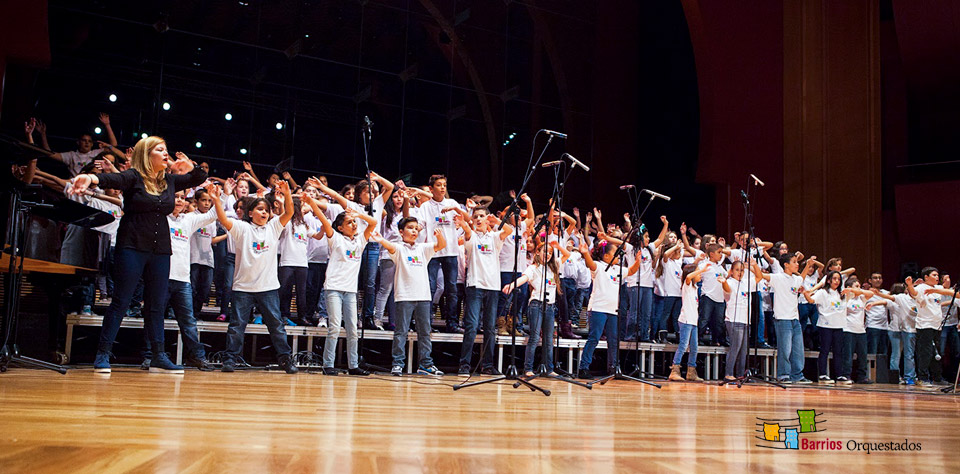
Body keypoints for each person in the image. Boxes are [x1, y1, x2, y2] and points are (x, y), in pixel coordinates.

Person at [70, 137, 207, 373]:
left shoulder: (170, 181)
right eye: (160, 150)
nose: (166, 154)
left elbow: (199, 178)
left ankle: (158, 356)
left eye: (167, 150)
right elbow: (110, 178)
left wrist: (189, 165)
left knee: (155, 305)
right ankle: (102, 354)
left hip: (161, 250)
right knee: (121, 302)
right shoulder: (133, 177)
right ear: (147, 154)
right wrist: (90, 178)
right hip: (131, 246)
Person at [210, 181, 298, 374]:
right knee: (236, 327)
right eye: (260, 209)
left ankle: (285, 359)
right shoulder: (242, 228)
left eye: (266, 210)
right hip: (243, 287)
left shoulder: (273, 227)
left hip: (268, 288)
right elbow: (224, 220)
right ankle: (230, 359)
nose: (264, 213)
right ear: (250, 213)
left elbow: (289, 212)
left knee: (276, 326)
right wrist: (217, 200)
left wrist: (287, 193)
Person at [309, 198, 378, 376]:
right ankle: (328, 364)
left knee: (353, 329)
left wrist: (358, 214)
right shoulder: (336, 239)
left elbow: (373, 222)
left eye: (354, 222)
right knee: (334, 327)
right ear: (340, 228)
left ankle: (353, 365)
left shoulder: (360, 241)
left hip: (350, 291)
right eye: (349, 222)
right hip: (333, 288)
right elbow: (323, 219)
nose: (354, 224)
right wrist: (311, 201)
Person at [371, 217, 446, 377]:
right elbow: (390, 246)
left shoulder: (423, 248)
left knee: (425, 332)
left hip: (423, 297)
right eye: (410, 228)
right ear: (401, 232)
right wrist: (381, 239)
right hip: (404, 296)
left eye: (415, 228)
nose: (414, 231)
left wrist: (439, 236)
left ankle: (426, 364)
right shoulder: (399, 248)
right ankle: (398, 364)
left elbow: (441, 245)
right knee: (401, 332)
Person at [162, 188, 219, 370]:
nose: (179, 201)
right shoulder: (159, 218)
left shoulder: (188, 220)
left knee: (189, 321)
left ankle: (196, 356)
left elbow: (212, 215)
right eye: (175, 197)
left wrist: (221, 196)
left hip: (182, 279)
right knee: (155, 319)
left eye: (182, 198)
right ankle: (150, 355)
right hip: (160, 277)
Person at [455, 207, 512, 375]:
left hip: (493, 287)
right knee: (471, 326)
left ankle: (487, 365)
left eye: (482, 216)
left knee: (489, 328)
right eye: (476, 217)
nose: (478, 219)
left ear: (487, 219)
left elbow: (508, 230)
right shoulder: (471, 236)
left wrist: (495, 220)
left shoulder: (494, 237)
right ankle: (464, 365)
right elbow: (466, 230)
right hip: (475, 285)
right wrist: (465, 223)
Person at [576, 232, 642, 379]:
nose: (618, 257)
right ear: (606, 256)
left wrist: (637, 261)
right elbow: (590, 264)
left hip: (613, 310)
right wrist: (586, 253)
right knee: (594, 338)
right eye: (615, 254)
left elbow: (631, 271)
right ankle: (583, 367)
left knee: (613, 340)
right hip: (598, 309)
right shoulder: (599, 266)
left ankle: (613, 368)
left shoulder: (617, 270)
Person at [504, 240, 567, 377]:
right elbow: (524, 279)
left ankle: (549, 369)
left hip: (550, 305)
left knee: (549, 339)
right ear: (538, 252)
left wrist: (558, 246)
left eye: (550, 253)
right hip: (536, 305)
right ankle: (528, 368)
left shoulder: (553, 267)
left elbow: (566, 255)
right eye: (545, 251)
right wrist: (512, 285)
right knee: (534, 337)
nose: (548, 255)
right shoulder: (533, 268)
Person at [752, 253, 818, 384]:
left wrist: (808, 265)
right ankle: (783, 374)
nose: (797, 264)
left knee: (798, 349)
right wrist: (754, 265)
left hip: (795, 319)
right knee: (785, 349)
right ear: (786, 265)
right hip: (782, 319)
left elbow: (802, 277)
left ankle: (797, 375)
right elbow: (762, 276)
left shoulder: (795, 279)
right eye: (794, 262)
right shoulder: (778, 278)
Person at [668, 255, 710, 382]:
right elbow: (688, 277)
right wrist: (701, 269)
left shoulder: (696, 287)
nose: (700, 276)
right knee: (683, 345)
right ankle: (674, 370)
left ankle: (691, 371)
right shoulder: (686, 285)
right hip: (686, 320)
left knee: (694, 347)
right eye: (697, 273)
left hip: (693, 321)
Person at [803, 270, 846, 384]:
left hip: (839, 325)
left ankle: (839, 375)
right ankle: (822, 374)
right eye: (834, 278)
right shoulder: (823, 292)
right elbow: (812, 300)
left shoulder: (842, 293)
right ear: (828, 280)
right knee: (825, 350)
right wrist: (806, 294)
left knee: (838, 351)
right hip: (825, 325)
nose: (837, 281)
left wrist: (850, 289)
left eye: (838, 279)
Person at [839, 278, 874, 384]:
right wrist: (850, 292)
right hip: (848, 329)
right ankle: (846, 375)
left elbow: (871, 293)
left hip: (861, 331)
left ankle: (862, 376)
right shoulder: (845, 298)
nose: (859, 288)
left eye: (859, 286)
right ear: (849, 287)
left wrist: (860, 291)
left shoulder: (862, 298)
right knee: (848, 355)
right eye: (856, 286)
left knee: (863, 356)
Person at [723, 261, 752, 381]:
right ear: (731, 271)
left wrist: (754, 266)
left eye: (742, 270)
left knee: (743, 350)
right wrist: (724, 281)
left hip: (745, 320)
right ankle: (728, 373)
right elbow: (727, 289)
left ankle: (740, 374)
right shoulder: (730, 282)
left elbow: (760, 278)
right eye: (737, 270)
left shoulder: (745, 283)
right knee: (735, 347)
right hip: (734, 320)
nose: (739, 273)